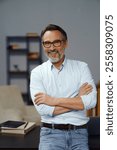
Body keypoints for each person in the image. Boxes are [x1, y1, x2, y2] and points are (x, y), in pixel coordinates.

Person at [30, 24, 97, 150]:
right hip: (50, 135)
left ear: (65, 43)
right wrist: (78, 99)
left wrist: (53, 101)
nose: (52, 48)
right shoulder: (37, 73)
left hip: (79, 134)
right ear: (43, 45)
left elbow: (91, 102)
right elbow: (44, 110)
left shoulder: (82, 67)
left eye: (56, 42)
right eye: (47, 43)